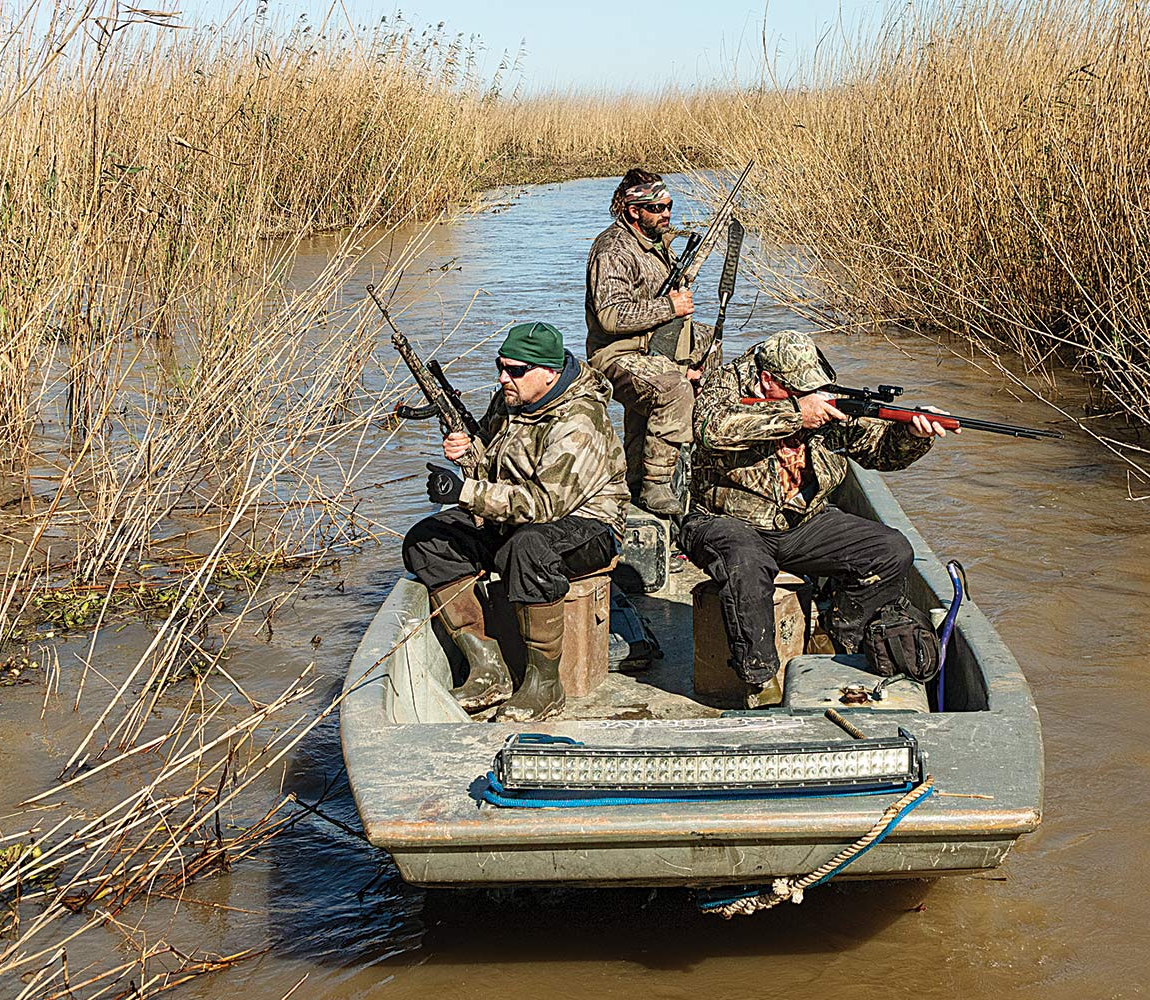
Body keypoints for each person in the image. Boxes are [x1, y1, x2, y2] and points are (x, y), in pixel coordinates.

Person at [679, 330, 955, 707]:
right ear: (768, 381)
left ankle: (838, 636)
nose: (815, 397)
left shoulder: (823, 399)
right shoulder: (725, 384)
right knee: (746, 564)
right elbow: (711, 429)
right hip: (724, 519)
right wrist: (795, 415)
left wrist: (912, 433)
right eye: (800, 391)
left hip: (801, 522)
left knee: (891, 550)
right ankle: (760, 681)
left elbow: (879, 453)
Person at [401, 321, 628, 722]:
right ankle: (487, 665)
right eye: (500, 366)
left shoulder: (580, 422)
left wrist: (463, 493)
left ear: (549, 373)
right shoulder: (509, 401)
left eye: (516, 370)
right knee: (427, 540)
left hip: (589, 524)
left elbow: (544, 505)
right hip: (519, 516)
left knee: (526, 549)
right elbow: (492, 470)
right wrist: (468, 454)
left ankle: (545, 685)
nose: (504, 378)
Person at [585, 168, 712, 517]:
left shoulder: (658, 242)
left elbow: (671, 281)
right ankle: (655, 485)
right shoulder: (612, 249)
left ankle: (697, 459)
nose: (666, 214)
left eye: (669, 205)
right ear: (633, 210)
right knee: (672, 389)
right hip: (617, 353)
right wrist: (669, 306)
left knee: (709, 344)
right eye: (656, 208)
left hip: (655, 342)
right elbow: (610, 316)